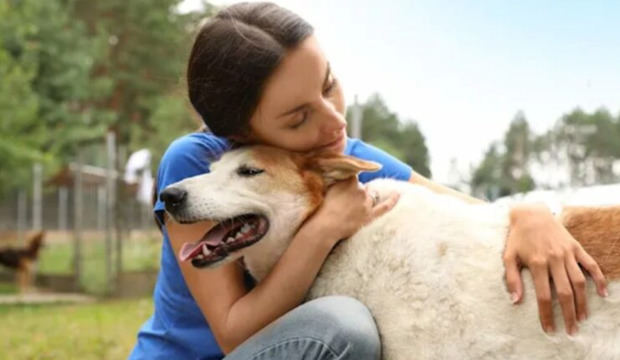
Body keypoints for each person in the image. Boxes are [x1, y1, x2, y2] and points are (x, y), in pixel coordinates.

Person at [130, 3, 608, 359]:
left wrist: (530, 214)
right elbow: (234, 334)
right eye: (299, 118)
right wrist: (323, 228)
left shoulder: (341, 155)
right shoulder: (195, 163)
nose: (335, 120)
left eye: (328, 84)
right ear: (238, 134)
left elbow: (469, 209)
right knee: (345, 328)